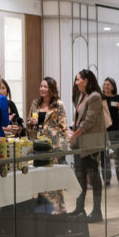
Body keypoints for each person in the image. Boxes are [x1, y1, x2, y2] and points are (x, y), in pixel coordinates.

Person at [27, 77, 69, 212]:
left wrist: (61, 148)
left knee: (54, 180)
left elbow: (63, 127)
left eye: (45, 87)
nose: (42, 89)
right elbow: (30, 126)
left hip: (54, 146)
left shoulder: (58, 105)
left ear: (51, 89)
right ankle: (45, 209)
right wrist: (31, 123)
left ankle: (60, 209)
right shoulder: (35, 104)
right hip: (39, 146)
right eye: (41, 86)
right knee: (41, 179)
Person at [70, 70, 106, 222]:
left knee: (93, 177)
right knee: (80, 177)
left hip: (91, 144)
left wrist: (75, 134)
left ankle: (97, 211)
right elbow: (80, 119)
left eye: (78, 79)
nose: (76, 82)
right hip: (80, 143)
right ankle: (80, 209)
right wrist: (74, 131)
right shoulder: (82, 96)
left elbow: (89, 121)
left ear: (85, 80)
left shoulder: (95, 96)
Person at [101, 77, 119, 186]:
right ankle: (106, 179)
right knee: (104, 155)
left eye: (108, 84)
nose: (106, 86)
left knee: (117, 154)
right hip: (103, 130)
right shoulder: (100, 98)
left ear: (113, 86)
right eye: (105, 84)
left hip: (115, 130)